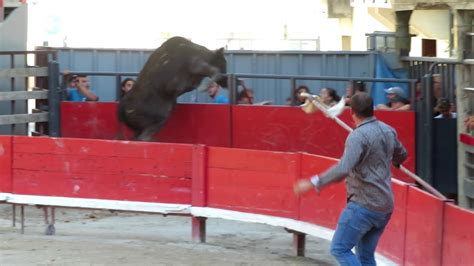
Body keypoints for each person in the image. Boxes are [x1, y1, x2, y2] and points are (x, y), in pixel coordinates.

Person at [293, 92, 408, 265]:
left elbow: (343, 168)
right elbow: (402, 154)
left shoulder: (358, 136)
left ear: (352, 112)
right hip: (384, 206)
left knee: (339, 248)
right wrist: (397, 162)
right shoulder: (388, 130)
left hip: (364, 203)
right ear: (372, 109)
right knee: (366, 257)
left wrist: (313, 182)